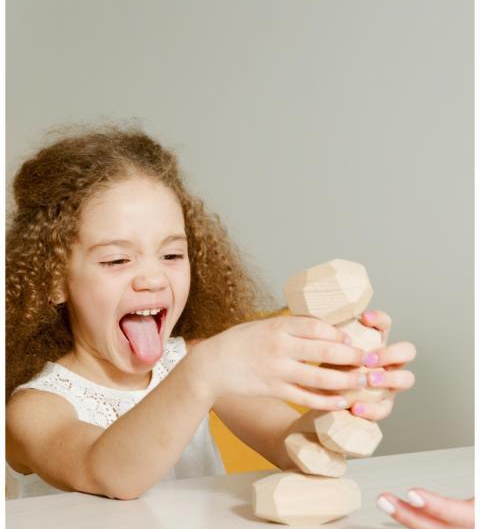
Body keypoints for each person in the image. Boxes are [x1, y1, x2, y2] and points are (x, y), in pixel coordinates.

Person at [6, 123, 416, 505]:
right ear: (54, 281)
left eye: (171, 254)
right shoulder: (36, 409)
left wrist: (343, 400)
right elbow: (107, 474)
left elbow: (295, 445)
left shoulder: (194, 362)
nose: (152, 278)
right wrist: (205, 370)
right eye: (116, 260)